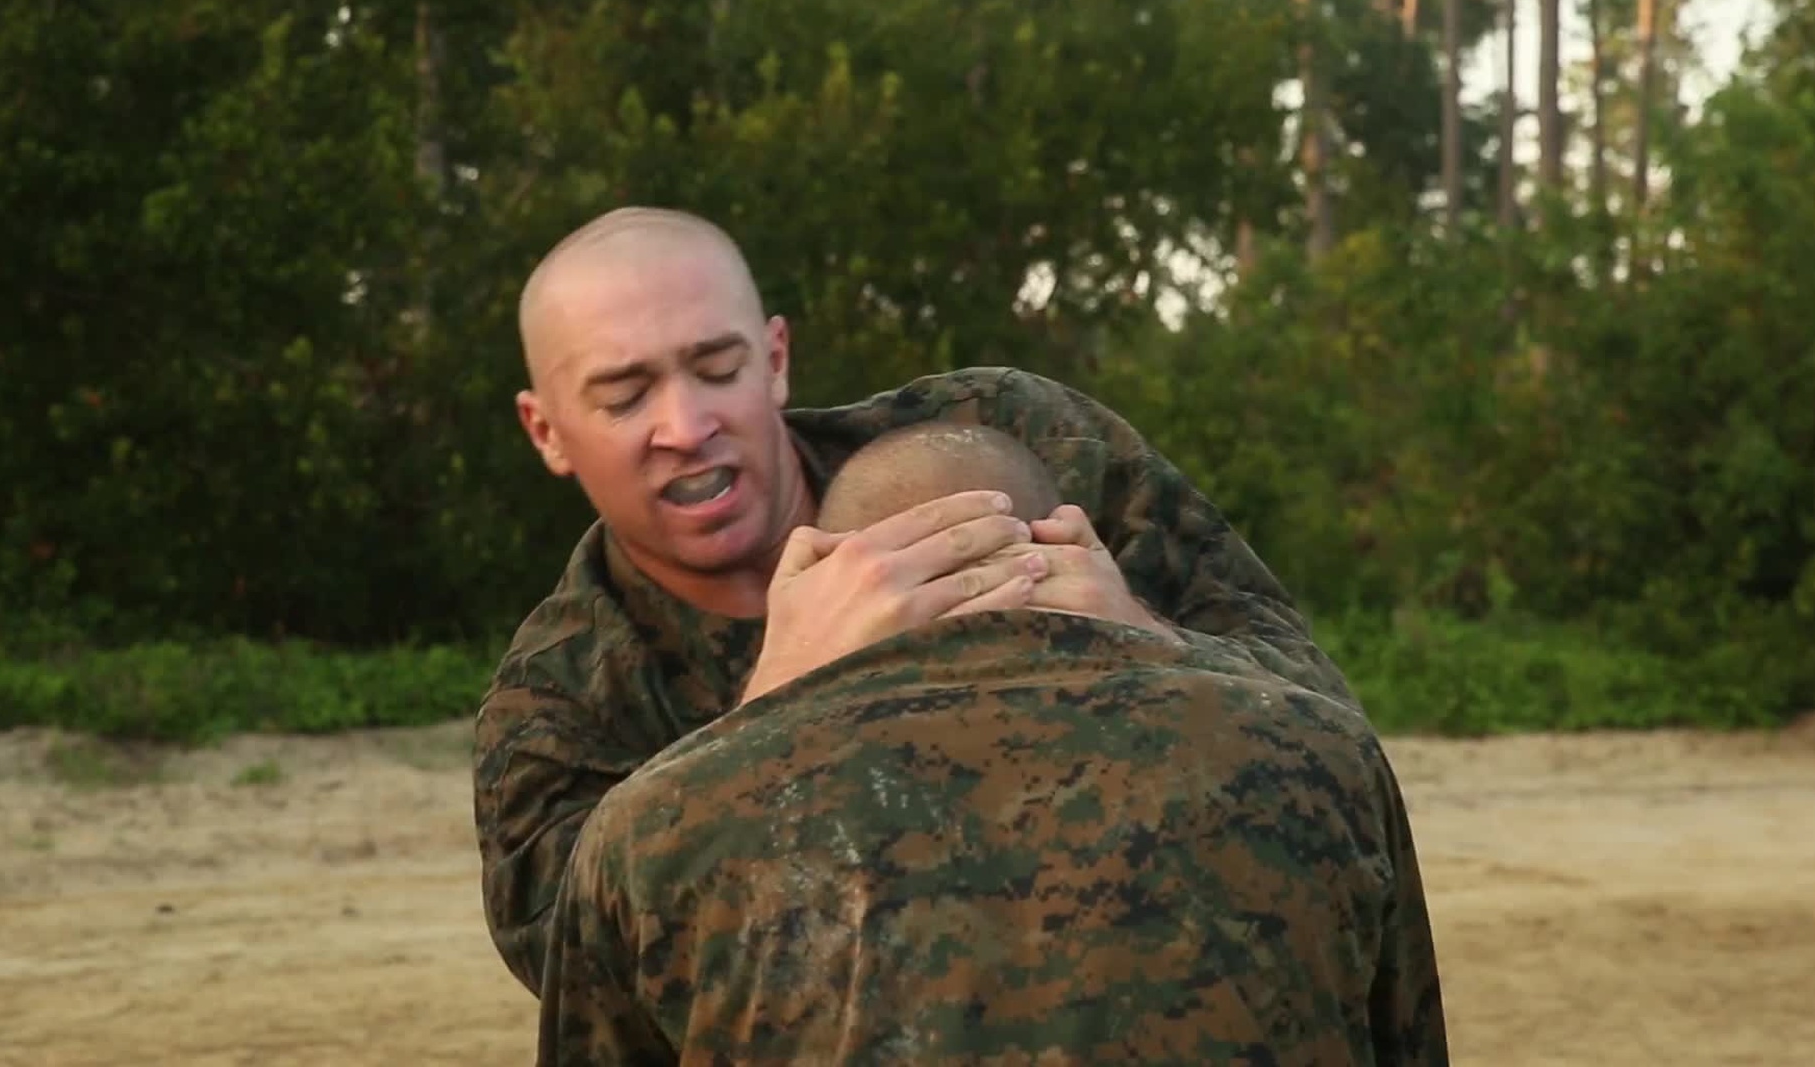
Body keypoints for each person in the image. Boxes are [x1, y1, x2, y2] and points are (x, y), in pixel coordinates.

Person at [474, 205, 1362, 995]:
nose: (686, 424)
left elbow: (1328, 732)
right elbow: (587, 975)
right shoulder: (558, 700)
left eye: (716, 368)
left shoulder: (1016, 444)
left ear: (776, 360)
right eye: (626, 395)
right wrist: (771, 711)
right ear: (546, 431)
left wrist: (1140, 639)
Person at [534, 422, 1446, 1065]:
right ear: (1067, 545)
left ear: (816, 578)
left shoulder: (651, 829)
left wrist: (764, 697)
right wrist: (1162, 642)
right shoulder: (1321, 753)